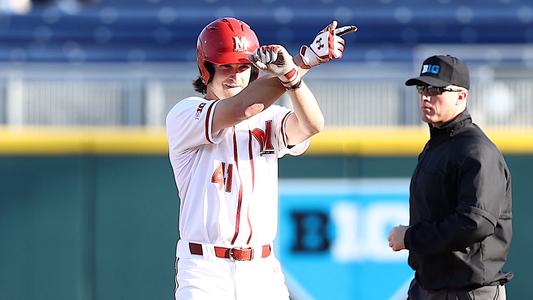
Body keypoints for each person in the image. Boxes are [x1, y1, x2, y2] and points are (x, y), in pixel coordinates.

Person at [165, 17, 356, 299]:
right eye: (225, 66)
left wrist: (291, 77)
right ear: (206, 69)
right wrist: (304, 61)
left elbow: (312, 125)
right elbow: (242, 109)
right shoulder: (186, 113)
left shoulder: (269, 116)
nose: (234, 75)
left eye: (243, 67)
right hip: (204, 266)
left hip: (261, 267)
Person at [387, 55, 513, 299]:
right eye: (422, 88)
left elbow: (475, 223)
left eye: (436, 89)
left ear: (461, 97)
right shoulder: (439, 145)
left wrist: (410, 237)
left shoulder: (476, 150)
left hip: (468, 291)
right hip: (429, 286)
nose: (426, 95)